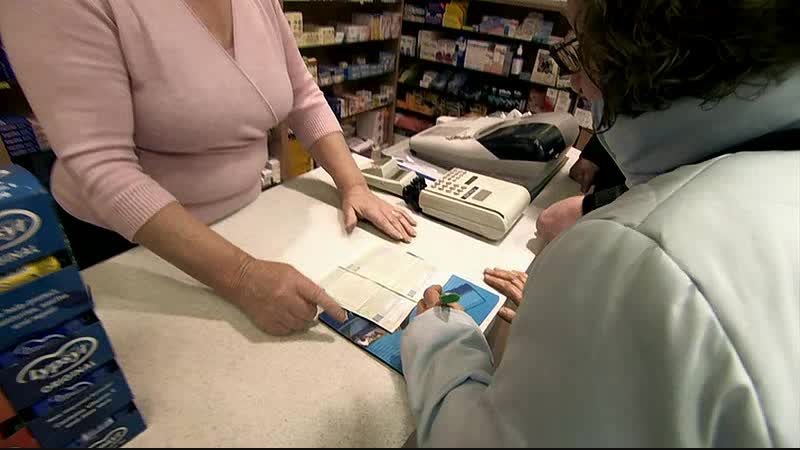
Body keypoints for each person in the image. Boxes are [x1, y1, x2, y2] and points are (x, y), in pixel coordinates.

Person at [401, 0, 799, 446]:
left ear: (637, 42)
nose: (575, 78)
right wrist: (580, 325)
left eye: (580, 43)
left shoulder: (634, 256)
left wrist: (441, 341)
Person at [0, 0, 418, 336]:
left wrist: (353, 184)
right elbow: (104, 167)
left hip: (248, 226)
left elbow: (301, 93)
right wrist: (243, 277)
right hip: (134, 249)